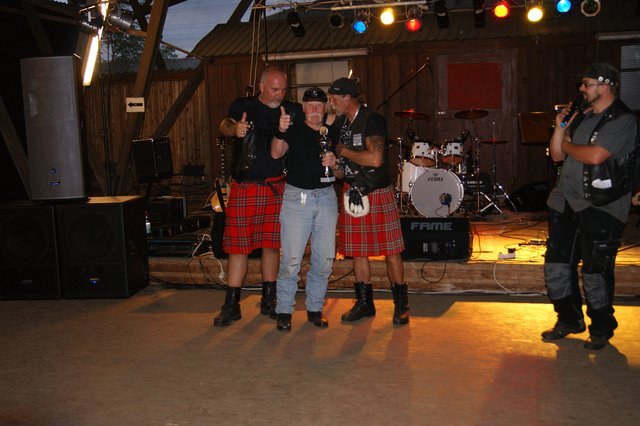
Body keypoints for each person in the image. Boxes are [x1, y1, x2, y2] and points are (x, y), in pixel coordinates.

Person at [542, 63, 638, 350]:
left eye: (587, 84)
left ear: (604, 85)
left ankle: (601, 328)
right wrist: (560, 127)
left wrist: (569, 145)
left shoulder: (623, 120)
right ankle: (569, 319)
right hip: (565, 201)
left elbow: (595, 156)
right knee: (557, 266)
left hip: (601, 205)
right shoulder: (582, 117)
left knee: (596, 271)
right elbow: (556, 155)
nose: (581, 89)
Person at [213, 67, 301, 327]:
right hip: (246, 187)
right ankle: (231, 306)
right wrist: (235, 129)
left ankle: (268, 300)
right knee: (238, 247)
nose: (279, 94)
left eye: (283, 89)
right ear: (261, 86)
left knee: (271, 246)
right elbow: (224, 125)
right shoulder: (244, 106)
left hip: (277, 187)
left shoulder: (291, 110)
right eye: (274, 89)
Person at [327, 77, 409, 326]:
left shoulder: (372, 119)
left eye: (334, 98)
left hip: (376, 191)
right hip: (352, 191)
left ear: (347, 98)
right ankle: (364, 303)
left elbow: (375, 159)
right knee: (357, 251)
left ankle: (401, 305)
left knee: (391, 251)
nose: (331, 103)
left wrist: (343, 151)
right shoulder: (340, 124)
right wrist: (335, 165)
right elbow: (340, 171)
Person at [270, 87, 340, 331]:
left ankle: (315, 308)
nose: (315, 110)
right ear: (303, 108)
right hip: (297, 198)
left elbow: (342, 169)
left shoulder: (332, 132)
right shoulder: (292, 129)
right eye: (310, 106)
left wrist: (336, 163)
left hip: (327, 197)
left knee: (324, 260)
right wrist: (280, 130)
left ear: (325, 108)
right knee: (291, 260)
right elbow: (275, 153)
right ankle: (284, 310)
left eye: (319, 106)